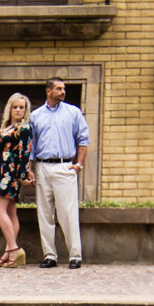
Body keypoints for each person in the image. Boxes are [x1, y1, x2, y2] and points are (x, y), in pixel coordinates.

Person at [27, 77, 91, 269]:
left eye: (64, 88)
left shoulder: (73, 112)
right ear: (49, 91)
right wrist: (29, 169)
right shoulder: (36, 116)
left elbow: (83, 139)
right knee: (44, 213)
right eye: (59, 89)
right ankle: (49, 256)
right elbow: (31, 145)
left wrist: (78, 165)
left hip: (65, 166)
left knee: (68, 213)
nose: (63, 92)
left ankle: (75, 256)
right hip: (42, 166)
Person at [0, 92, 34, 267]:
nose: (18, 110)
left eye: (22, 107)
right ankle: (8, 253)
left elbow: (24, 153)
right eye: (15, 107)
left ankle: (14, 249)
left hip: (9, 173)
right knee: (10, 212)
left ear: (26, 110)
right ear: (10, 108)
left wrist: (23, 176)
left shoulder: (24, 128)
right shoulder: (5, 128)